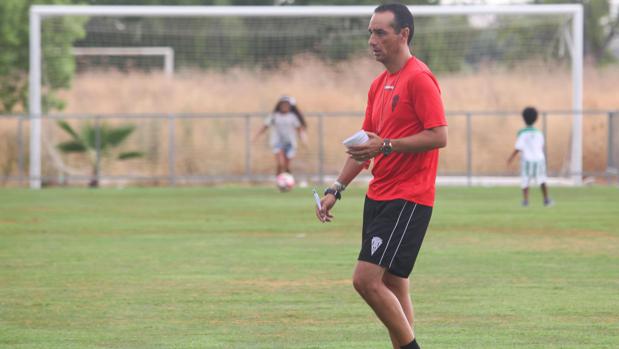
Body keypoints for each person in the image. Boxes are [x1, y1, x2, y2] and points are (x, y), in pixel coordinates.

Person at [315, 4, 447, 349]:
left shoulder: (419, 78)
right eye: (370, 33)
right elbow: (366, 144)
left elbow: (438, 136)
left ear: (403, 34)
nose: (372, 40)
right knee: (393, 283)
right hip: (380, 195)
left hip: (408, 197)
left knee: (366, 281)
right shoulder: (379, 84)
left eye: (380, 33)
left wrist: (386, 145)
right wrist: (336, 188)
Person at [507, 106, 553, 207]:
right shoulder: (539, 133)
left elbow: (518, 147)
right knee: (542, 179)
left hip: (527, 160)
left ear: (523, 118)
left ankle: (525, 201)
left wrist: (511, 158)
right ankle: (546, 199)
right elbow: (541, 146)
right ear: (536, 118)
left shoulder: (522, 133)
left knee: (525, 180)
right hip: (539, 159)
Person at [254, 95, 304, 176]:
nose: (284, 106)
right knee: (281, 164)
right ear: (279, 105)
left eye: (287, 104)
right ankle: (279, 181)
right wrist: (256, 136)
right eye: (283, 104)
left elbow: (299, 129)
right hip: (277, 143)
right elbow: (265, 126)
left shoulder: (293, 117)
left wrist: (303, 138)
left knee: (286, 166)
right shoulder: (274, 116)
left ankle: (288, 181)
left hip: (290, 144)